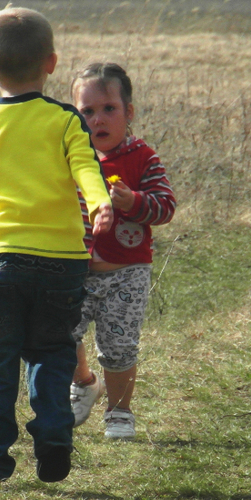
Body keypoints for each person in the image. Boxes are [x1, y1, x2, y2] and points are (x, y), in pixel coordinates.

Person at [0, 8, 113, 486]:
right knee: (51, 352)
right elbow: (87, 167)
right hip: (61, 264)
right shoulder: (65, 120)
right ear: (51, 62)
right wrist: (100, 202)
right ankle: (53, 434)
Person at [69, 62, 176, 440]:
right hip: (76, 269)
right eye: (87, 111)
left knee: (118, 345)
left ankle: (119, 412)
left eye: (109, 109)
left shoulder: (141, 157)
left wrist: (134, 201)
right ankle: (84, 382)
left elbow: (166, 206)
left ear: (128, 113)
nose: (98, 119)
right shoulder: (72, 158)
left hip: (126, 271)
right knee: (60, 333)